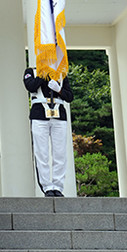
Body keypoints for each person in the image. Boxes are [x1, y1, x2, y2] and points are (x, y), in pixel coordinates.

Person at [23, 67, 74, 197]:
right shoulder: (32, 71)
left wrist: (59, 90)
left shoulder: (61, 73)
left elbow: (69, 96)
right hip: (40, 114)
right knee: (42, 153)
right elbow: (30, 87)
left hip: (58, 114)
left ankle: (58, 186)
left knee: (60, 153)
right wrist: (43, 74)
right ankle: (46, 186)